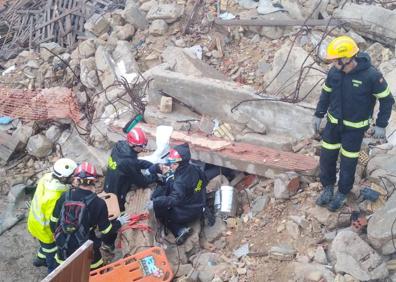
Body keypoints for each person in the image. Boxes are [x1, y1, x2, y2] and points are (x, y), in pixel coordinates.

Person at [313, 35, 394, 211]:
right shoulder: (334, 73)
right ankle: (327, 188)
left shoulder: (371, 76)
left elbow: (387, 100)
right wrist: (318, 114)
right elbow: (326, 94)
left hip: (354, 131)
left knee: (348, 163)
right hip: (333, 126)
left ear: (347, 58)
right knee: (326, 158)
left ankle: (342, 193)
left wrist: (381, 124)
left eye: (335, 60)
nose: (333, 64)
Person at [50, 162, 129, 270]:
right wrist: (119, 222)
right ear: (94, 180)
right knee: (92, 273)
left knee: (64, 273)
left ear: (77, 180)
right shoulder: (98, 203)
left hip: (64, 246)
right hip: (86, 247)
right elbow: (106, 230)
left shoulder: (65, 196)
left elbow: (53, 222)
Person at [149, 143, 207, 245]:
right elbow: (203, 181)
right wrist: (196, 191)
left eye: (174, 164)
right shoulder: (194, 168)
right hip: (199, 201)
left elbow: (174, 200)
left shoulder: (179, 182)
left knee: (162, 211)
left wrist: (155, 202)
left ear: (181, 163)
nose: (171, 166)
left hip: (188, 212)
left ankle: (179, 230)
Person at [27, 158, 77, 273]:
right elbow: (54, 221)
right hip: (45, 230)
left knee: (43, 246)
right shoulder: (54, 197)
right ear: (63, 178)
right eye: (72, 176)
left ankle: (39, 260)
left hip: (34, 222)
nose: (75, 178)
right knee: (52, 254)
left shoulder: (47, 177)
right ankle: (52, 273)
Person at [104, 127, 156, 212]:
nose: (143, 148)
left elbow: (132, 162)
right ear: (132, 144)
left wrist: (149, 165)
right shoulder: (129, 161)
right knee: (118, 207)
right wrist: (155, 177)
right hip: (117, 191)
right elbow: (142, 182)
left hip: (109, 183)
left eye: (144, 145)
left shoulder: (120, 145)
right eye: (141, 146)